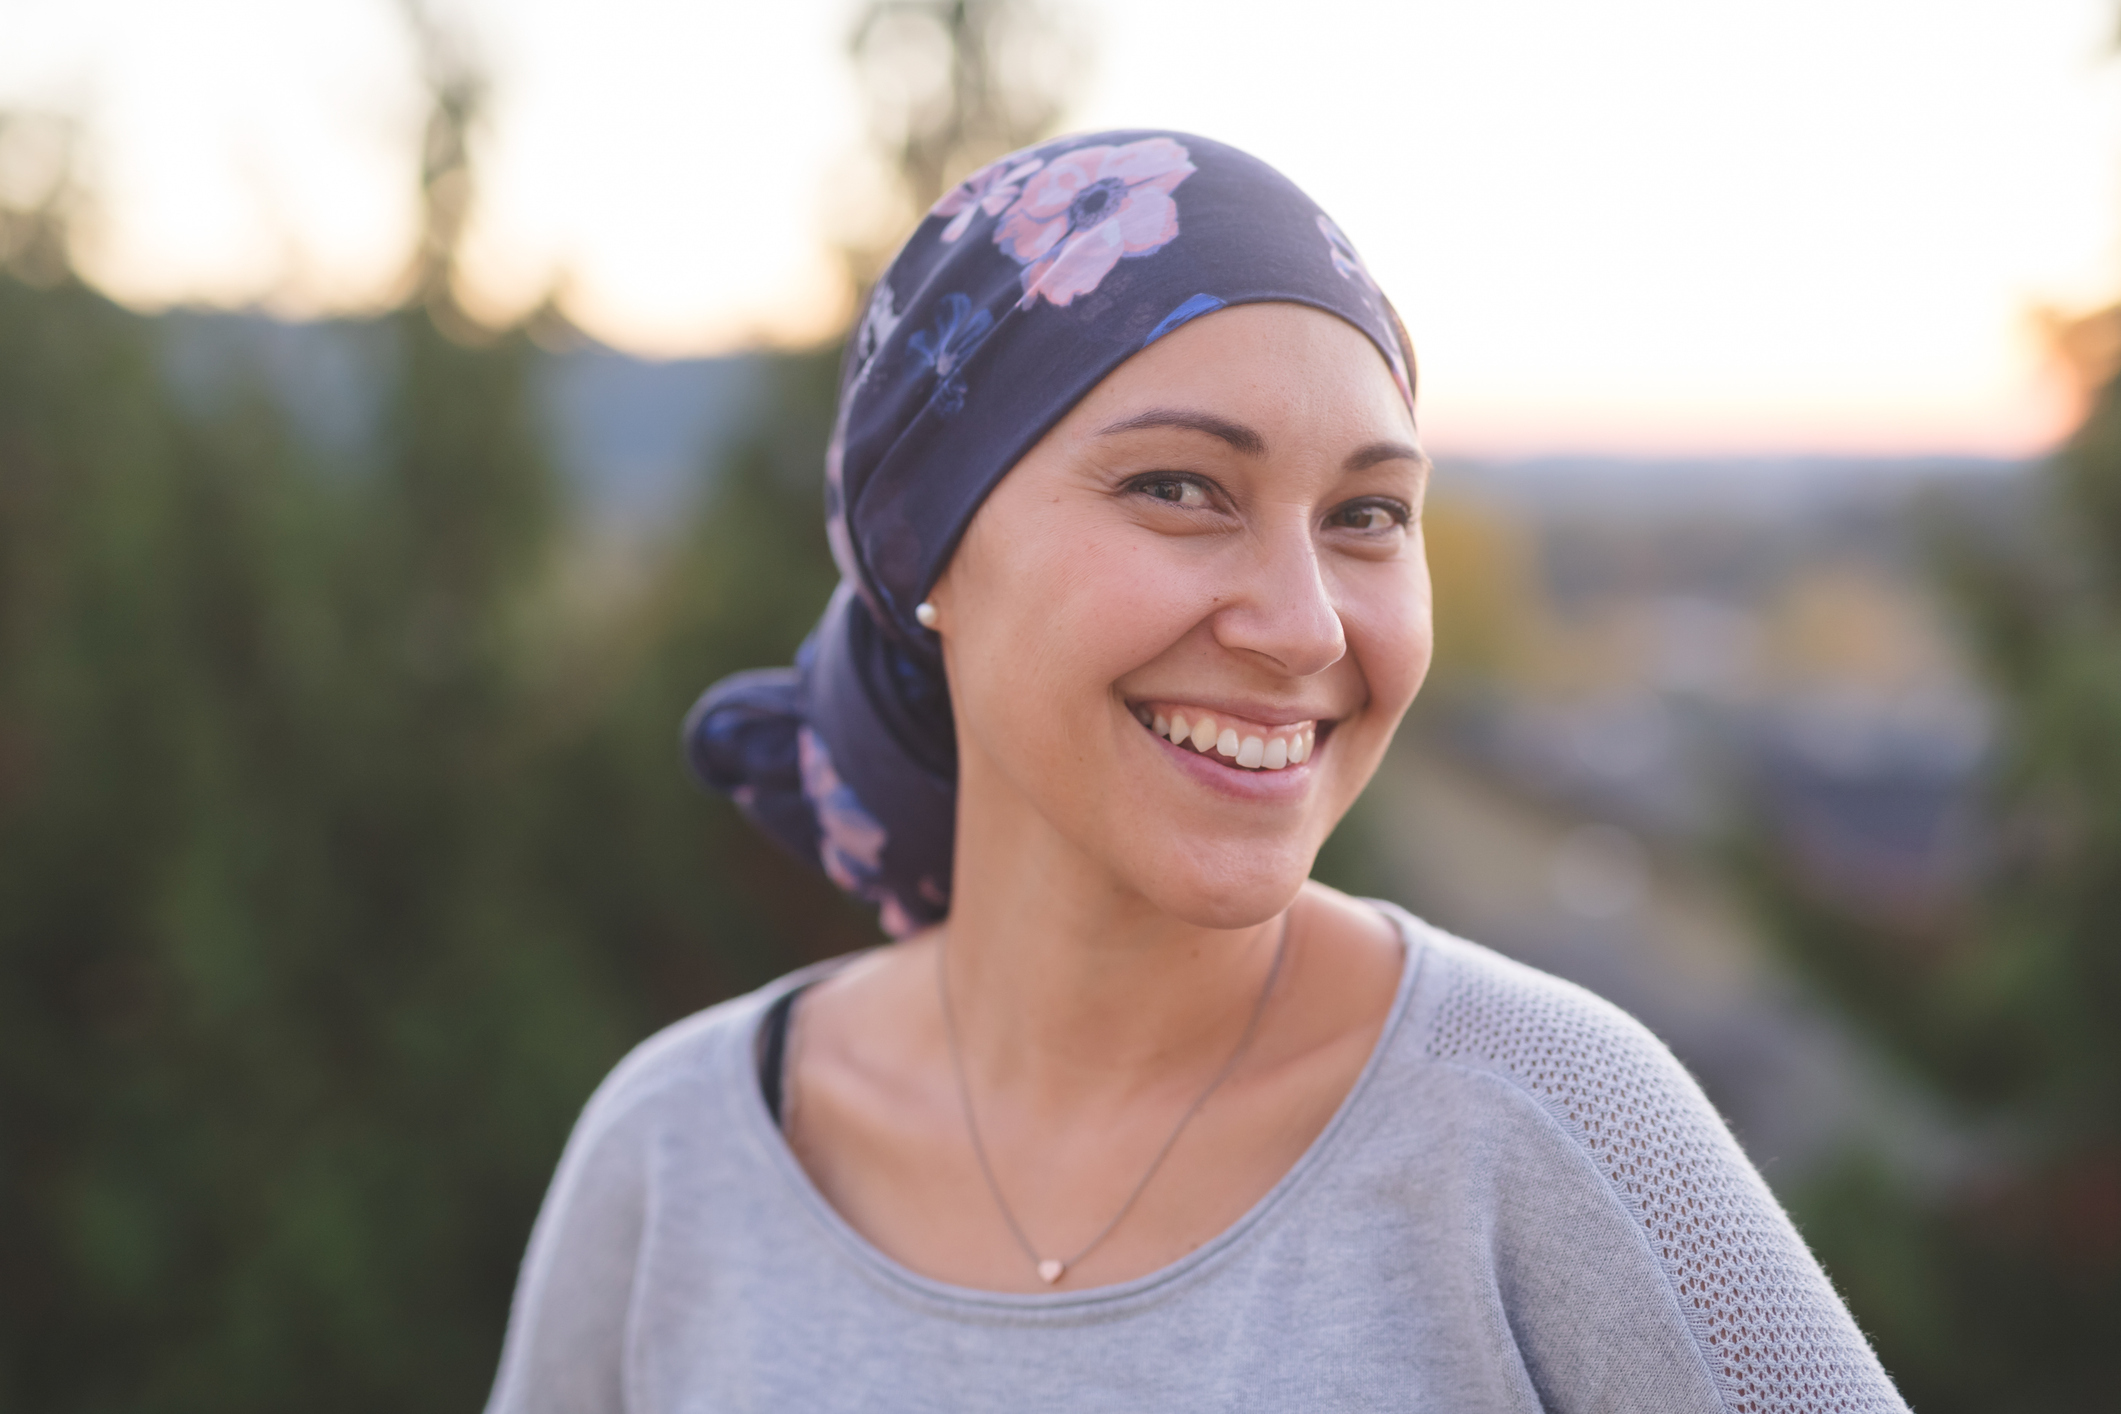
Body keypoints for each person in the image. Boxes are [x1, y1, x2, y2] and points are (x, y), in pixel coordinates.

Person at [484, 131, 1907, 1412]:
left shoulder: (1548, 1125)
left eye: (1365, 513)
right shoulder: (675, 1159)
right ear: (931, 558)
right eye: (1178, 488)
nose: (1300, 626)